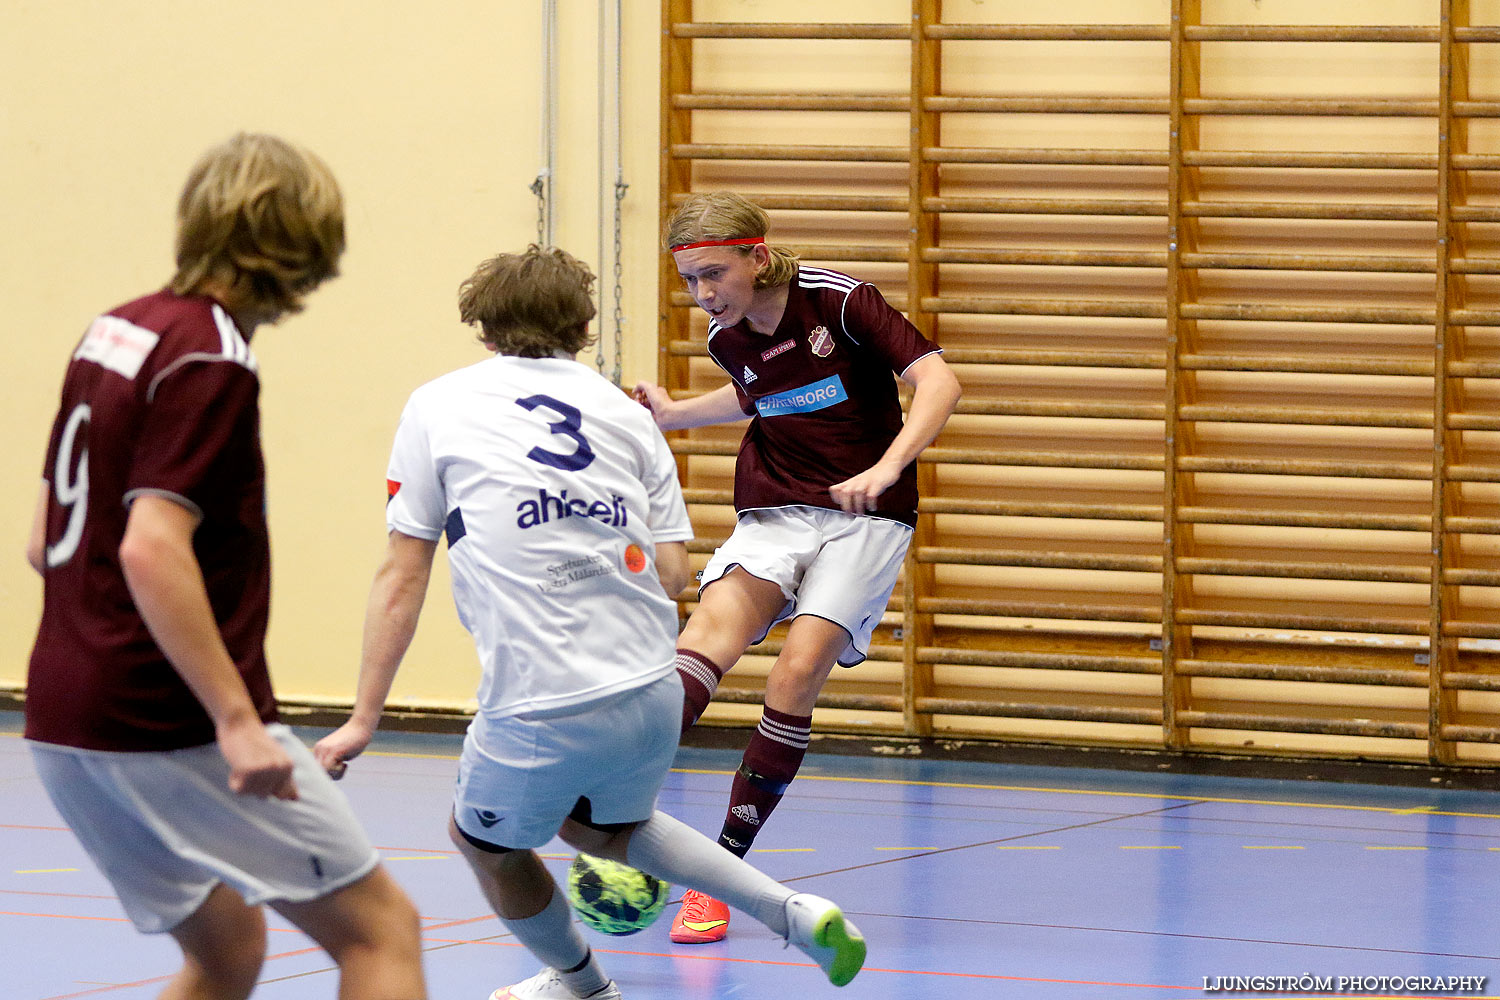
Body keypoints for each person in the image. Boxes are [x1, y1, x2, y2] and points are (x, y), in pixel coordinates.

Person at [312, 245, 866, 1000]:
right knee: (601, 830)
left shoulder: (437, 404)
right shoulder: (626, 415)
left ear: (483, 330)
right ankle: (793, 911)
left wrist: (362, 718)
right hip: (651, 686)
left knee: (484, 843)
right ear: (583, 326)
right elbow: (675, 573)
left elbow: (402, 572)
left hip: (540, 695)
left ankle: (584, 986)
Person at [23, 133, 427, 999]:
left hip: (63, 714)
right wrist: (237, 722)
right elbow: (150, 543)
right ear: (301, 246)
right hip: (163, 718)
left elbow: (40, 539)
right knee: (381, 933)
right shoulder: (212, 358)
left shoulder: (117, 329)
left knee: (227, 947)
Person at [632, 191, 962, 944]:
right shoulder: (727, 335)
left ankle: (722, 873)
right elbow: (759, 397)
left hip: (864, 517)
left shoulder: (839, 301)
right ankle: (616, 817)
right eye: (690, 282)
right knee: (701, 645)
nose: (704, 294)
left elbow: (939, 382)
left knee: (794, 673)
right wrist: (676, 412)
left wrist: (885, 467)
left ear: (755, 255)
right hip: (776, 507)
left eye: (714, 274)